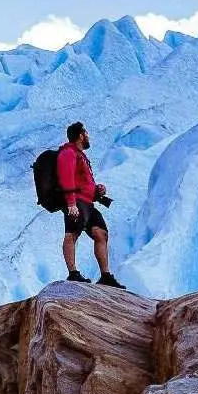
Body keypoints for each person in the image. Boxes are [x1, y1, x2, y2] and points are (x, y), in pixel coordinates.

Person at [56, 121, 125, 288]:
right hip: (76, 202)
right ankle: (72, 273)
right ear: (80, 134)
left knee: (101, 234)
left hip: (87, 202)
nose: (88, 136)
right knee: (72, 233)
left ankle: (105, 276)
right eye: (86, 133)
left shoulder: (80, 155)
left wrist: (97, 190)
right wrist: (71, 203)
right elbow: (66, 178)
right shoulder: (68, 153)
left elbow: (82, 181)